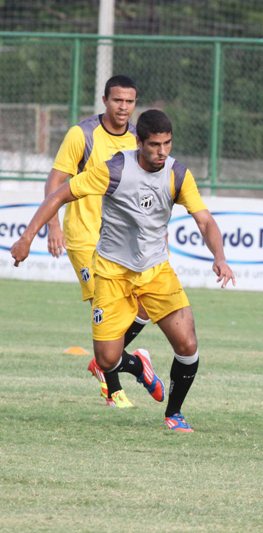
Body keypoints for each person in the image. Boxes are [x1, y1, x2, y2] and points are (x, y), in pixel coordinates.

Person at [11, 109, 236, 432]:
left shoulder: (178, 174)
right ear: (139, 142)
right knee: (106, 360)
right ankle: (138, 364)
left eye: (167, 143)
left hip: (156, 272)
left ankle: (174, 413)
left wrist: (220, 256)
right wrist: (27, 237)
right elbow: (61, 194)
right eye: (155, 144)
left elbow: (204, 219)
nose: (162, 151)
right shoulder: (114, 170)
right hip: (113, 275)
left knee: (187, 345)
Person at [45, 75, 150, 408]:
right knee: (107, 311)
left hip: (124, 239)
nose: (123, 107)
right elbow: (55, 180)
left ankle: (108, 363)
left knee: (146, 304)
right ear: (105, 100)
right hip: (85, 238)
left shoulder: (138, 139)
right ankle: (115, 388)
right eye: (117, 100)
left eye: (129, 102)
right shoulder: (83, 134)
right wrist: (53, 226)